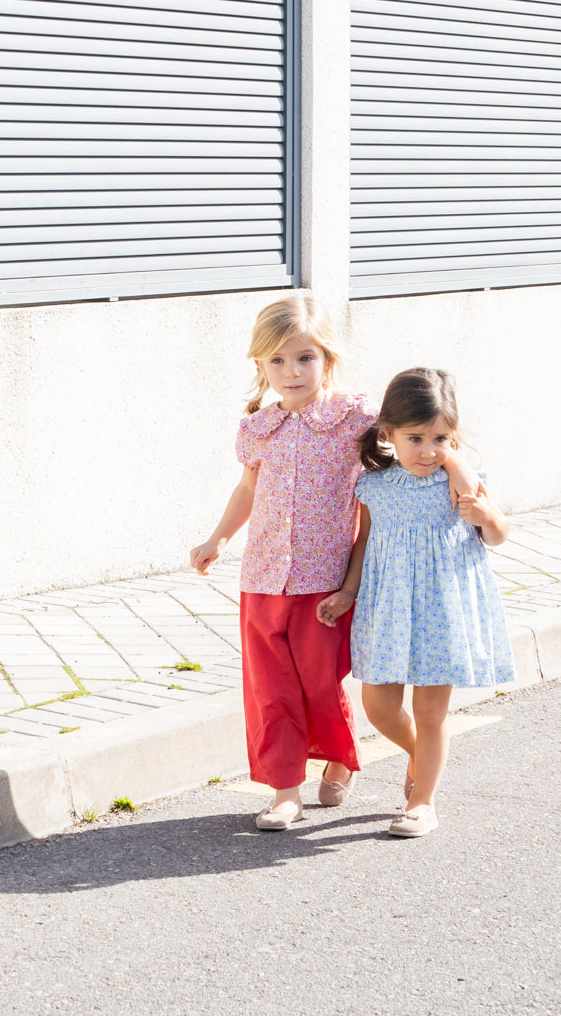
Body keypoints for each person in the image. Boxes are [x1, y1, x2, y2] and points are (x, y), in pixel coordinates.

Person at [190, 297, 479, 831]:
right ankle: (284, 790)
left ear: (327, 358)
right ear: (260, 366)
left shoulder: (356, 419)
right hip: (263, 577)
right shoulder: (257, 428)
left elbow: (426, 434)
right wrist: (218, 538)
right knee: (270, 689)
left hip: (326, 580)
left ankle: (343, 757)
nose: (291, 372)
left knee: (322, 683)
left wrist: (458, 465)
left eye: (304, 358)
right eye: (276, 361)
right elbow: (248, 487)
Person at [317, 367, 514, 838]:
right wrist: (348, 591)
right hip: (387, 608)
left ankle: (422, 801)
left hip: (441, 609)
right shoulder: (373, 485)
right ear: (388, 435)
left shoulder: (463, 482)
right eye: (416, 438)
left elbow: (497, 536)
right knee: (379, 707)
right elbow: (364, 541)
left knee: (431, 713)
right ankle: (417, 754)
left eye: (441, 438)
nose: (429, 450)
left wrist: (488, 514)